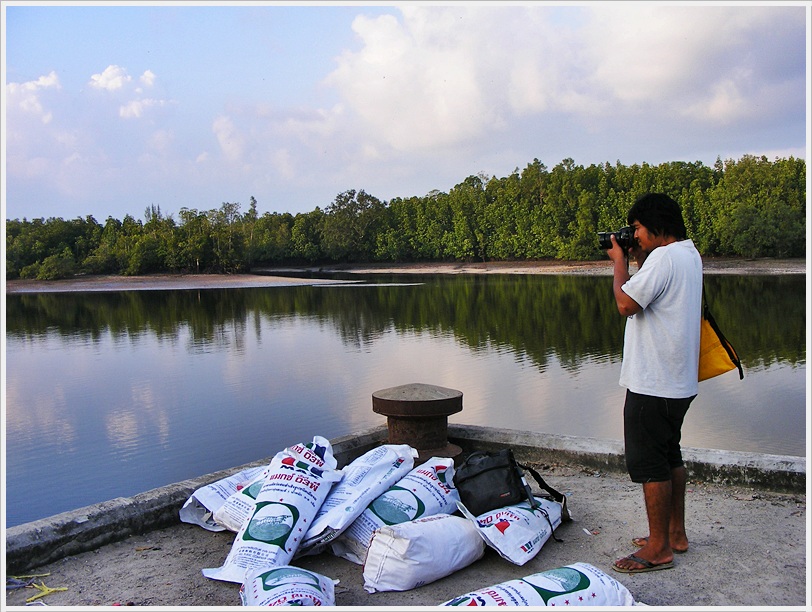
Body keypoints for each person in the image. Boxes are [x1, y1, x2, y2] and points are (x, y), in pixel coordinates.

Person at [605, 193, 703, 574]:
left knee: (649, 463)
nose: (635, 235)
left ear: (657, 225)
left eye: (638, 229)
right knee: (669, 455)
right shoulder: (687, 254)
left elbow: (626, 304)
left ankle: (658, 548)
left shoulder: (664, 258)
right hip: (677, 382)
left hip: (653, 382)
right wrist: (635, 258)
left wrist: (619, 265)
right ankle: (674, 534)